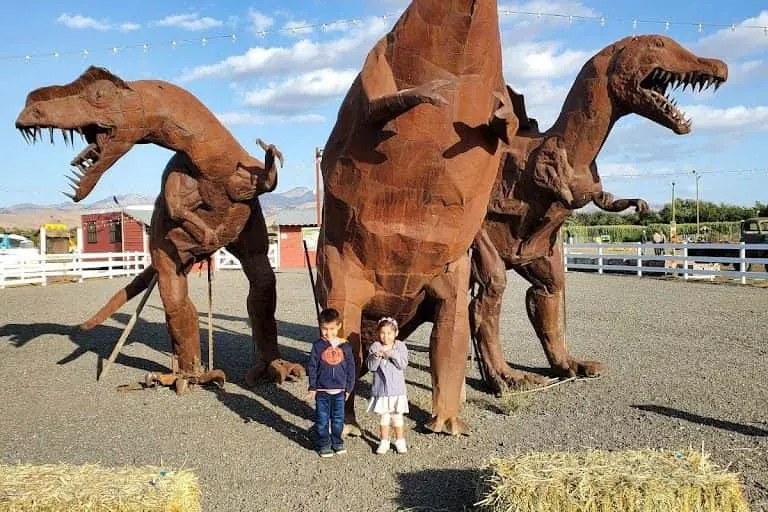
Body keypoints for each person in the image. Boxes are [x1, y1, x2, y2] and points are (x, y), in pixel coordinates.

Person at [306, 308, 356, 458]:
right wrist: (312, 387)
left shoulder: (345, 346)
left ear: (339, 326)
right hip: (322, 391)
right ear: (320, 327)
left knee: (338, 419)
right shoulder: (317, 346)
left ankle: (337, 442)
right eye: (324, 329)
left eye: (332, 329)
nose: (328, 333)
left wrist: (349, 388)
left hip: (340, 391)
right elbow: (312, 367)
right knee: (322, 420)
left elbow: (351, 368)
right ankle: (324, 444)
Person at [366, 317, 409, 454]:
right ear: (378, 333)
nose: (385, 336)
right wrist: (376, 356)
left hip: (397, 389)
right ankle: (384, 441)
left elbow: (403, 364)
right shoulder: (375, 346)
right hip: (382, 390)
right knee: (384, 416)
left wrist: (391, 353)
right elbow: (371, 367)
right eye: (382, 333)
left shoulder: (400, 346)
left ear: (396, 333)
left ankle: (400, 440)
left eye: (389, 333)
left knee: (397, 415)